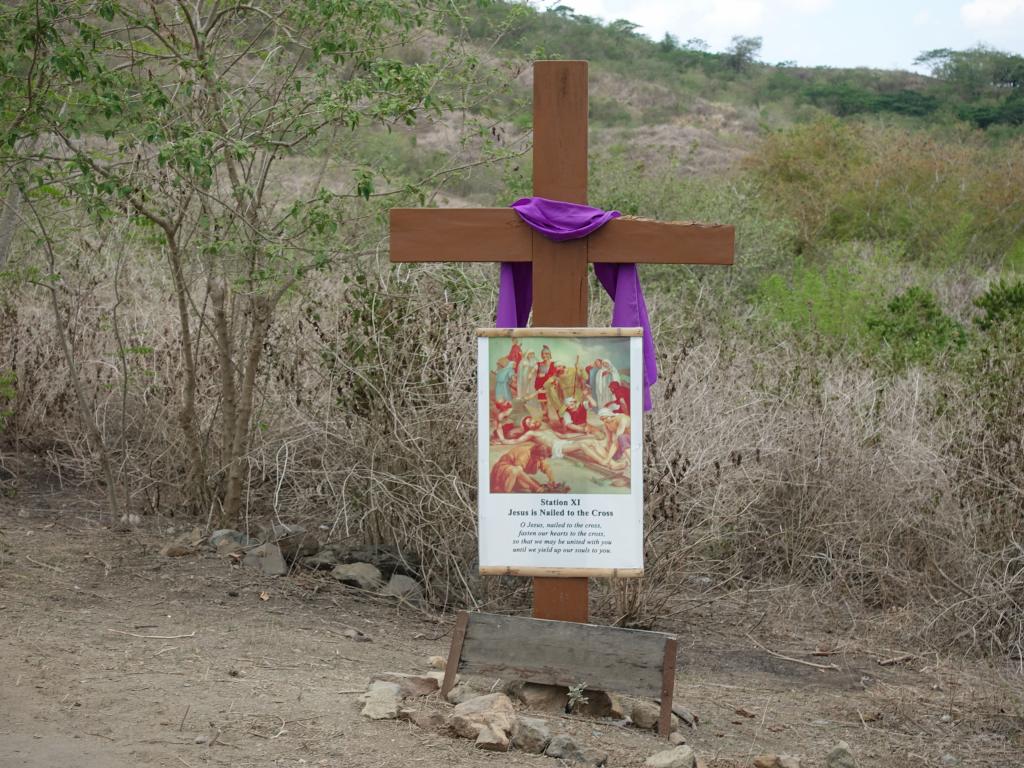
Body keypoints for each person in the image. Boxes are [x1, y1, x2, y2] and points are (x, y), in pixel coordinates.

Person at [490, 441, 556, 493]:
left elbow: (547, 468)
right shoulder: (525, 453)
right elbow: (518, 471)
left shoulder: (539, 457)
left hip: (514, 474)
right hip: (502, 470)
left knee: (531, 485)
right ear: (537, 455)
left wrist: (552, 479)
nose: (543, 459)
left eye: (544, 457)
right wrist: (536, 487)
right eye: (542, 457)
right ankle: (505, 494)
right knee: (517, 472)